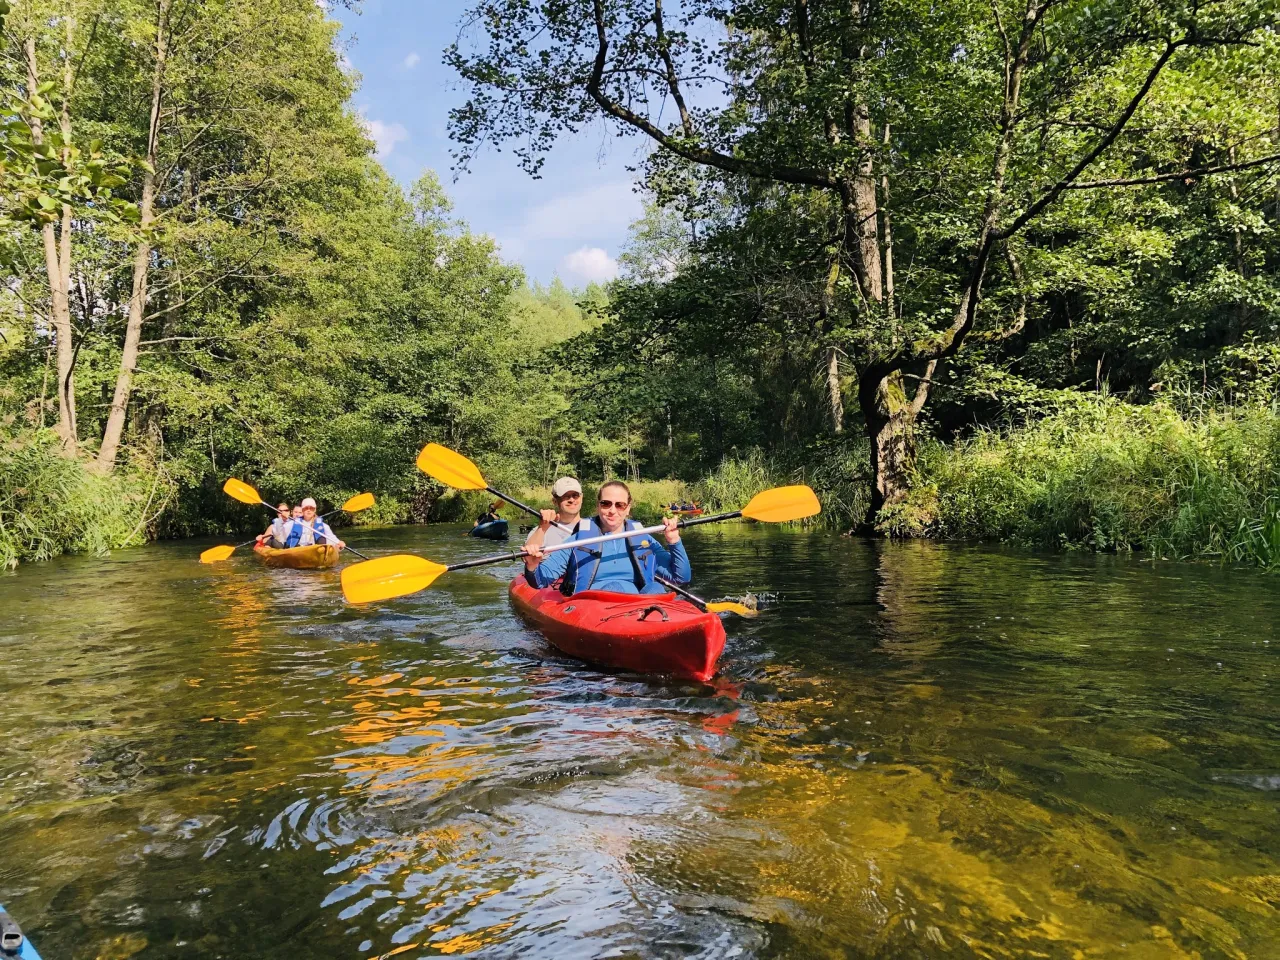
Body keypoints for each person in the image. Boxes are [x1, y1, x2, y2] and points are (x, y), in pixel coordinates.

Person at [524, 480, 690, 595]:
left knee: (655, 588)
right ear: (598, 506)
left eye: (620, 505)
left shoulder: (643, 539)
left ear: (628, 508)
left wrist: (674, 541)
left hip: (638, 607)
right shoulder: (580, 539)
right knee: (615, 587)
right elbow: (540, 580)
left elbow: (680, 578)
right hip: (595, 607)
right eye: (606, 503)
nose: (612, 510)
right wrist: (532, 566)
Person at [525, 476, 583, 551]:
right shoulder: (541, 529)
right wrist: (542, 528)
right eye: (566, 496)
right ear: (555, 501)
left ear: (581, 498)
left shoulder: (593, 526)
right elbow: (527, 559)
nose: (571, 500)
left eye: (575, 495)